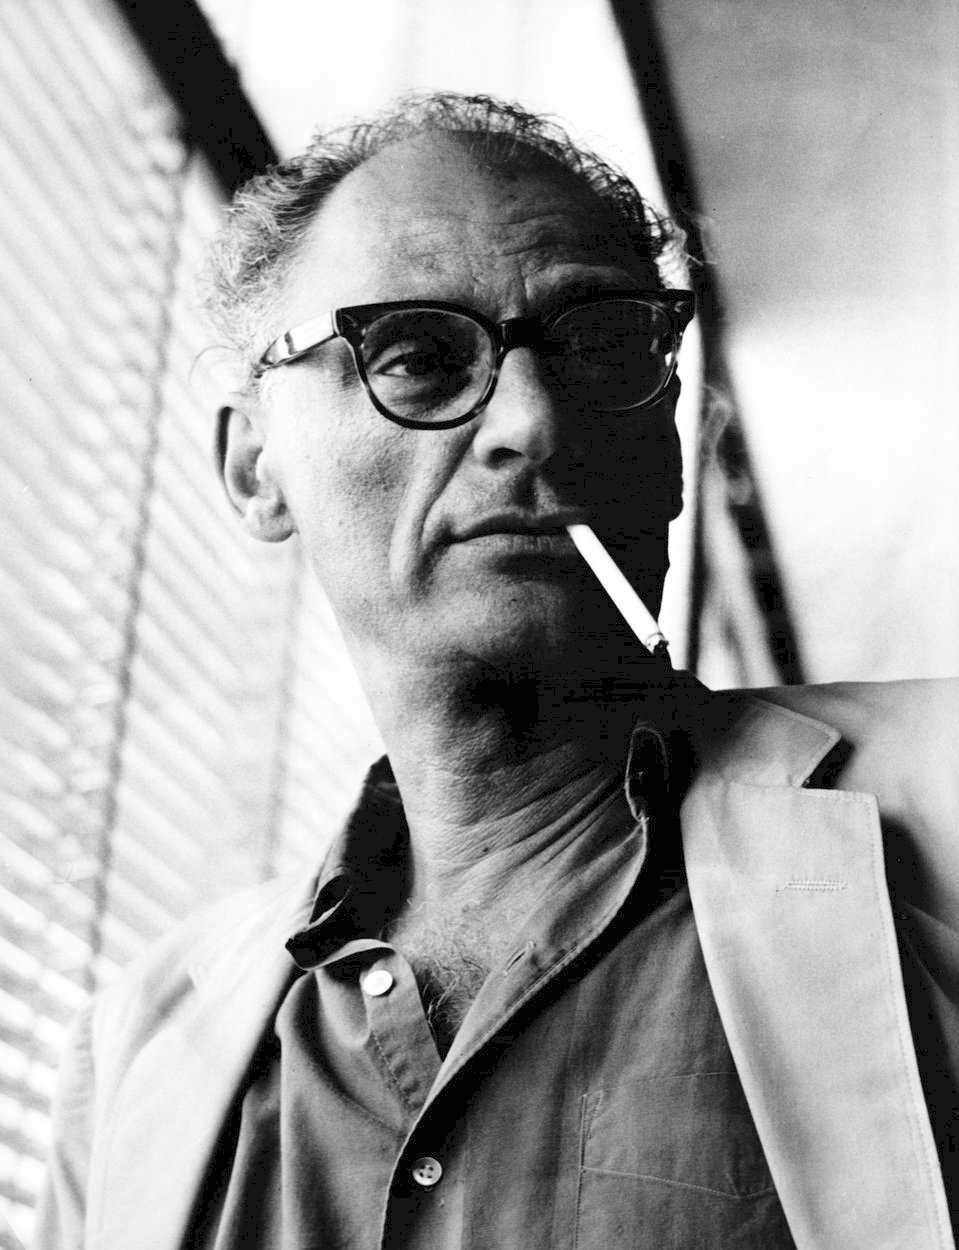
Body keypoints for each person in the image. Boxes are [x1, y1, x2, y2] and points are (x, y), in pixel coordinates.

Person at [36, 93, 957, 1250]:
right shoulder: (132, 1057)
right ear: (254, 465)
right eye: (417, 355)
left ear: (670, 444)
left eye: (602, 345)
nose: (531, 419)